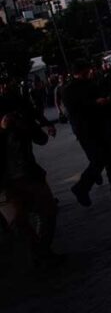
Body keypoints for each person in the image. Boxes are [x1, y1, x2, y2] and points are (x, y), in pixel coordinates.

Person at [0, 77, 60, 267]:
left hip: (27, 172)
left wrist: (27, 125)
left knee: (48, 211)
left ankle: (42, 251)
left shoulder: (16, 110)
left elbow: (38, 136)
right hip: (4, 180)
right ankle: (39, 253)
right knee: (18, 220)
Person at [63, 60, 111, 206]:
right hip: (87, 131)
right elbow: (74, 110)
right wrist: (95, 103)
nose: (91, 71)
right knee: (99, 160)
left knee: (107, 159)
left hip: (100, 127)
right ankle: (82, 187)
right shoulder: (69, 89)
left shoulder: (89, 84)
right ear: (82, 71)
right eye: (88, 69)